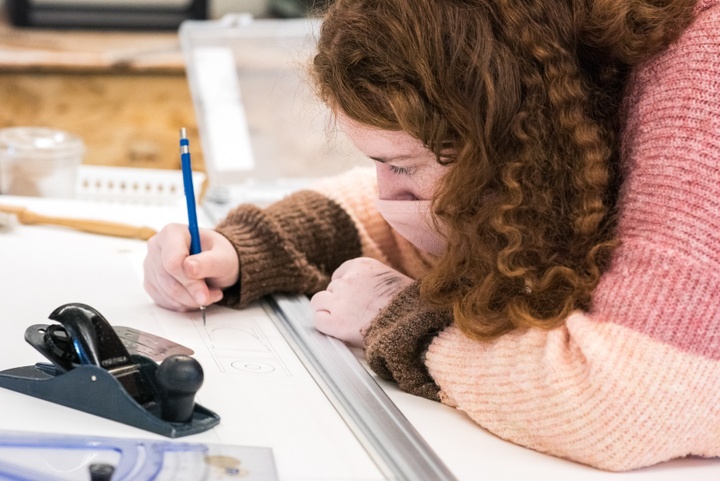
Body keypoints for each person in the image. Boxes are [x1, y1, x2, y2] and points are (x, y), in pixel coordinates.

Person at [143, 0, 720, 471]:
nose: (386, 192)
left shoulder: (702, 70)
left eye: (401, 167)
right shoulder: (571, 69)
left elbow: (627, 399)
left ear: (513, 137)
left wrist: (390, 318)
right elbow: (408, 208)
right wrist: (252, 246)